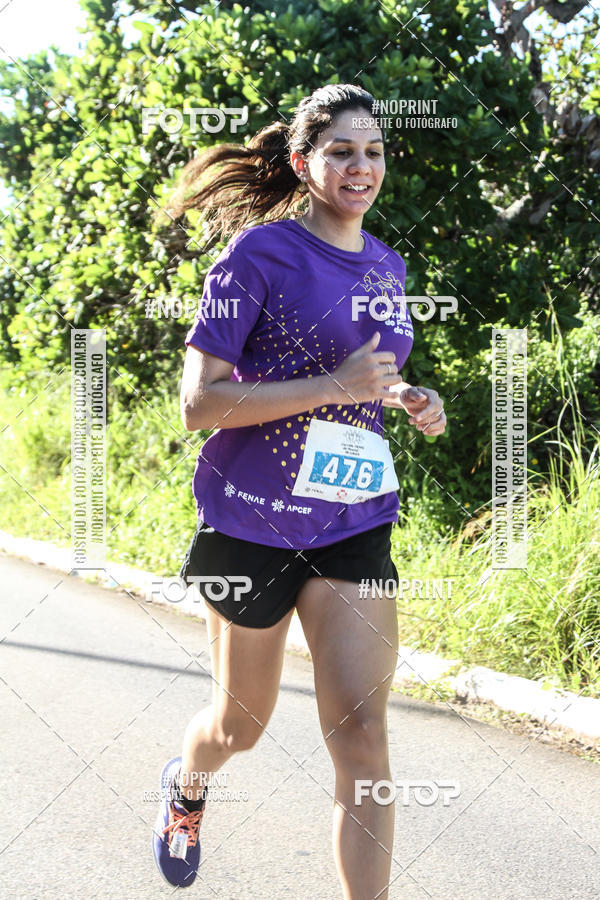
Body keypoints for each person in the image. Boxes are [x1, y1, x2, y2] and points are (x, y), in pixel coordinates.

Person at [152, 83, 446, 897]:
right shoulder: (256, 257)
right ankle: (188, 783)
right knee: (239, 726)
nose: (362, 167)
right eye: (342, 151)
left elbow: (368, 377)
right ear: (302, 162)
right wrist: (331, 383)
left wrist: (409, 398)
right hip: (250, 525)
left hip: (351, 520)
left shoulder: (388, 265)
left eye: (375, 151)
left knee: (363, 740)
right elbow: (197, 404)